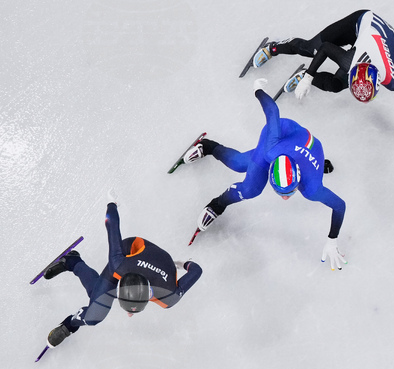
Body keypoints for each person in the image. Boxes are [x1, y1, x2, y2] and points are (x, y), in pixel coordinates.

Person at [181, 80, 348, 270]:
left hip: (305, 143)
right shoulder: (271, 150)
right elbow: (272, 112)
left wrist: (332, 239)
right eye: (280, 192)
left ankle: (211, 150)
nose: (285, 198)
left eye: (290, 191)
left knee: (250, 166)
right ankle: (209, 153)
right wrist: (257, 89)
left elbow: (340, 206)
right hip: (282, 133)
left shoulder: (312, 188)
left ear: (299, 178)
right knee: (246, 179)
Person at [41, 198, 201, 348]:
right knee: (95, 314)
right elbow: (112, 225)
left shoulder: (170, 297)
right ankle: (71, 265)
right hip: (130, 251)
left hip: (156, 264)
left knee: (97, 297)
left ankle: (73, 262)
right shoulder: (119, 263)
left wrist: (183, 264)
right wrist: (112, 203)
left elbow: (197, 271)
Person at [251, 10, 394, 143]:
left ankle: (300, 75)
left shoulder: (392, 79)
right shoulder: (350, 60)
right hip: (360, 22)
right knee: (310, 49)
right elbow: (325, 47)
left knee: (335, 85)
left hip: (378, 38)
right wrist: (309, 77)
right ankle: (272, 48)